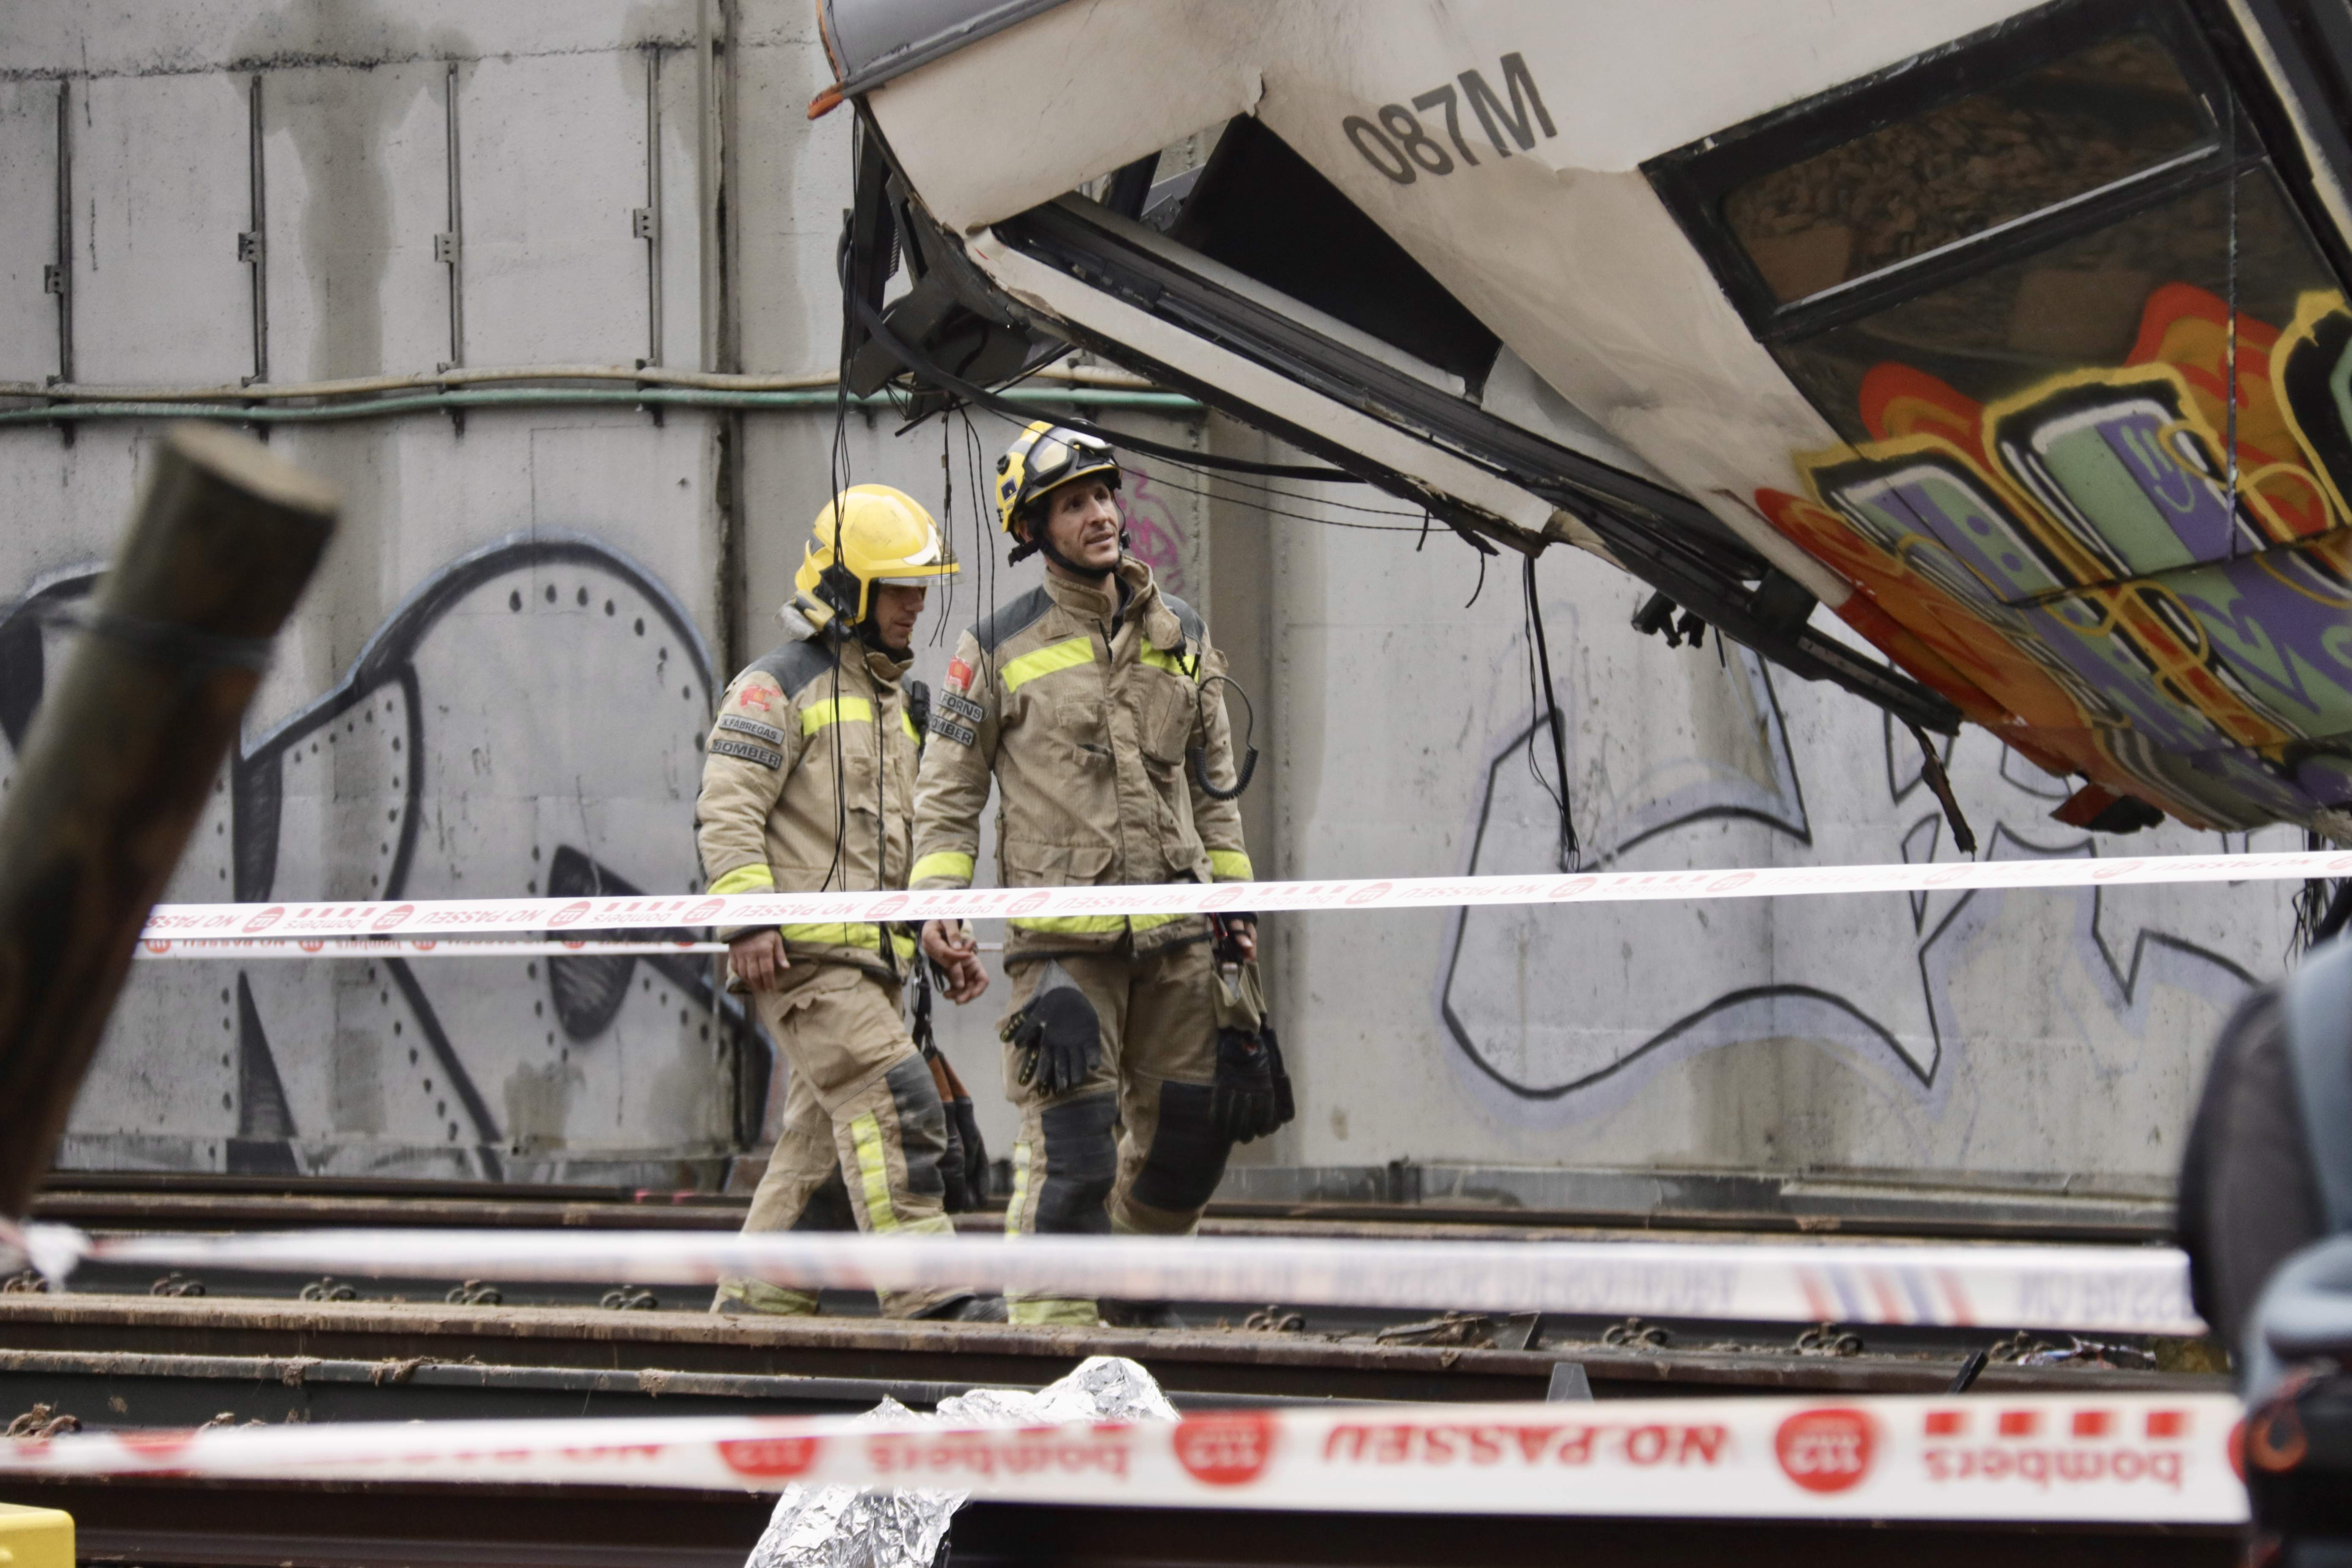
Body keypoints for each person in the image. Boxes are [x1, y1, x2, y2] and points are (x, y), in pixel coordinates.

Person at [910, 422, 1290, 1327]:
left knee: (1193, 1138)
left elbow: (1213, 789)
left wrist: (1233, 906)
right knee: (1073, 1151)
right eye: (1074, 504)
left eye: (1104, 496)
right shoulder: (994, 646)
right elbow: (949, 792)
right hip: (1063, 949)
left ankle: (1128, 1303)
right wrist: (937, 906)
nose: (1101, 515)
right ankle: (1050, 1336)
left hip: (1179, 936)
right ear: (1034, 530)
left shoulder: (1180, 633)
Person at [695, 484, 1000, 1322]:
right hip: (807, 963)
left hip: (870, 966)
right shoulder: (775, 688)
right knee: (896, 1097)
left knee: (822, 1155)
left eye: (920, 587)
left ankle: (751, 1318)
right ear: (847, 590)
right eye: (898, 588)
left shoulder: (896, 703)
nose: (915, 605)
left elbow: (894, 846)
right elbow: (728, 809)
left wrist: (930, 931)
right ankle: (931, 1297)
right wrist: (748, 920)